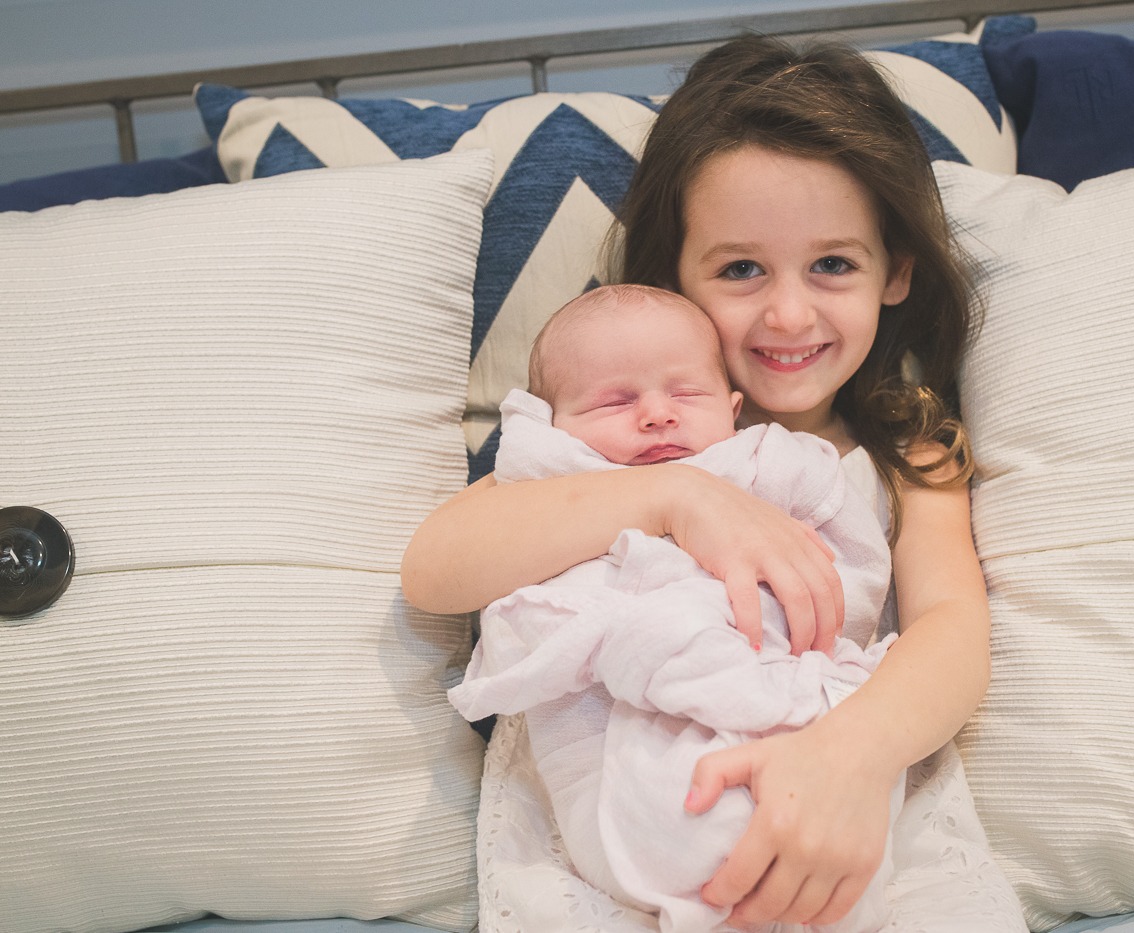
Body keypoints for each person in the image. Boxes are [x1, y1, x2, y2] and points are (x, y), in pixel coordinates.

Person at [403, 34, 1023, 932]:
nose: (788, 313)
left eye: (833, 264)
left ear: (896, 272)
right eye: (740, 269)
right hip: (616, 809)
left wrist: (849, 760)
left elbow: (952, 630)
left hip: (828, 782)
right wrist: (676, 498)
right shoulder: (617, 430)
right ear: (674, 274)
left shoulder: (905, 450)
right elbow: (436, 566)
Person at [452, 282, 900, 932]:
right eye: (616, 399)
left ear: (734, 408)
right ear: (554, 425)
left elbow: (853, 568)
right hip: (622, 741)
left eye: (686, 394)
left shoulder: (764, 463)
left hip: (801, 717)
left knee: (826, 831)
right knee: (690, 818)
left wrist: (812, 655)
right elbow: (528, 620)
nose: (658, 415)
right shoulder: (558, 492)